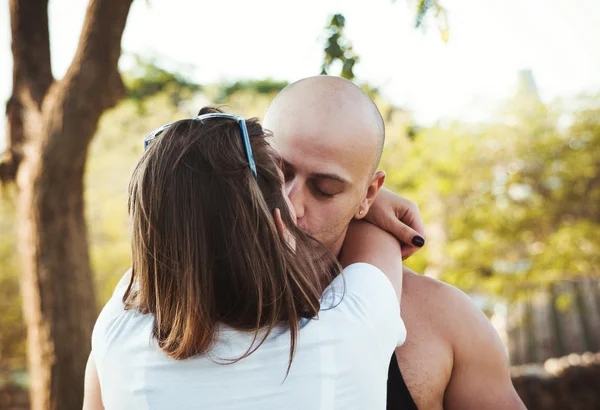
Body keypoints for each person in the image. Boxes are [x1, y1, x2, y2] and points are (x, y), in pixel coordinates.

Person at [83, 107, 407, 409]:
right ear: (281, 227)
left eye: (322, 188)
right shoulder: (347, 332)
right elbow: (379, 248)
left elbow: (163, 254)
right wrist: (361, 197)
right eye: (285, 183)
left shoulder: (116, 338)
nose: (298, 204)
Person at [263, 75, 526, 410]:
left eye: (325, 188)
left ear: (369, 193)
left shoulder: (444, 319)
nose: (292, 204)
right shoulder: (194, 292)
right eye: (277, 173)